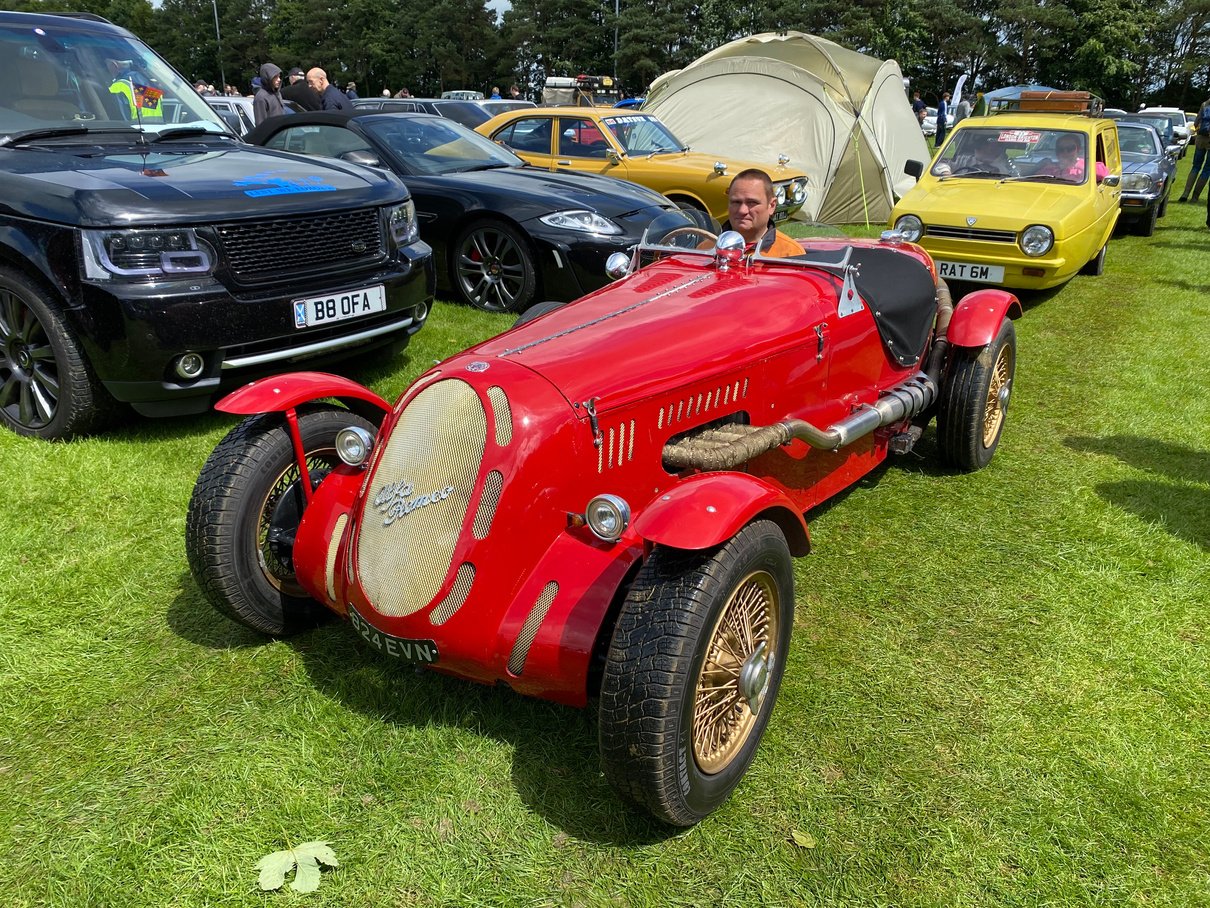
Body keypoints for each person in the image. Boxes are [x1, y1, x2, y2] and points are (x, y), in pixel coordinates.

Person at [727, 169, 801, 257]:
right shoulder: (709, 249)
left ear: (771, 206)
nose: (742, 210)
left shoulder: (791, 253)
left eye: (752, 202)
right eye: (736, 202)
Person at [1177, 95, 1210, 202]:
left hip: (1200, 138)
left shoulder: (1205, 104)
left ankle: (1185, 193)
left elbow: (1196, 123)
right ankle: (1195, 197)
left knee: (1195, 166)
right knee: (1206, 170)